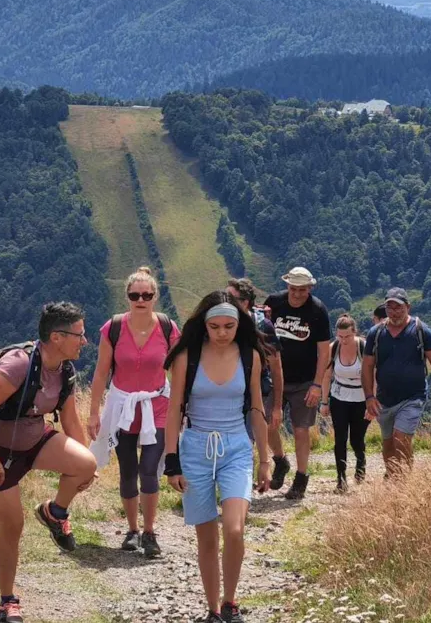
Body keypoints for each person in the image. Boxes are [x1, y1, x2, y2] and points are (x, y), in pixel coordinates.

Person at [0, 302, 99, 623]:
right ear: (57, 337)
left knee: (84, 463)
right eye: (79, 335)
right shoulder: (18, 365)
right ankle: (7, 602)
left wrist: (87, 467)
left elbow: (69, 420)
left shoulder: (65, 370)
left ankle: (55, 513)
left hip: (34, 441)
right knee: (12, 527)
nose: (84, 342)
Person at [163, 291, 271, 623]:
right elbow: (173, 410)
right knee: (207, 537)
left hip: (236, 447)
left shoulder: (250, 356)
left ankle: (230, 601)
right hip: (195, 448)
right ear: (204, 326)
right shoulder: (187, 358)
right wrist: (172, 460)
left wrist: (265, 459)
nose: (222, 333)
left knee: (235, 529)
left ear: (239, 325)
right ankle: (212, 610)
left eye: (229, 326)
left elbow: (256, 408)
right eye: (215, 327)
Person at [88, 267, 180, 558]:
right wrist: (93, 413)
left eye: (147, 295)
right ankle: (132, 530)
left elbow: (178, 370)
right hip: (123, 405)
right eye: (134, 295)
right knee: (128, 469)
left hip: (158, 406)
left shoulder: (168, 328)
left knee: (149, 469)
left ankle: (150, 532)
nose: (141, 299)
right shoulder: (112, 328)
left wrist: (183, 406)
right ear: (127, 297)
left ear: (155, 297)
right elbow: (101, 372)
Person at [361, 288, 431, 478]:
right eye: (390, 308)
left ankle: (406, 480)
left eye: (398, 308)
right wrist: (369, 397)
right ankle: (393, 479)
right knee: (387, 444)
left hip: (413, 396)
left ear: (408, 307)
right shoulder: (375, 334)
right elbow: (367, 366)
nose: (394, 312)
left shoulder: (422, 331)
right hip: (384, 399)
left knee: (400, 439)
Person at [263, 267, 332, 500]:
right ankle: (280, 460)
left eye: (302, 290)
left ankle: (301, 477)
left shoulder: (318, 311)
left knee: (301, 430)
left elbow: (324, 352)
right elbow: (261, 334)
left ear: (310, 288)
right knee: (267, 423)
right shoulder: (274, 303)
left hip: (305, 380)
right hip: (275, 377)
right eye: (293, 289)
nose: (296, 294)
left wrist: (317, 385)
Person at [226, 278, 285, 450]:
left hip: (255, 394)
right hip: (226, 393)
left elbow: (276, 367)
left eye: (230, 298)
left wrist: (277, 407)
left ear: (245, 302)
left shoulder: (263, 326)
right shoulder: (219, 324)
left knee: (245, 444)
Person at [319, 314, 370, 493]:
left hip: (361, 399)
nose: (344, 340)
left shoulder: (363, 347)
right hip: (339, 397)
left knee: (357, 438)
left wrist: (373, 402)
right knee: (340, 439)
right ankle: (341, 480)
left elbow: (374, 375)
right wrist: (324, 402)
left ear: (354, 332)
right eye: (340, 336)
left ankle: (360, 464)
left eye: (347, 336)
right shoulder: (333, 349)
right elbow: (326, 376)